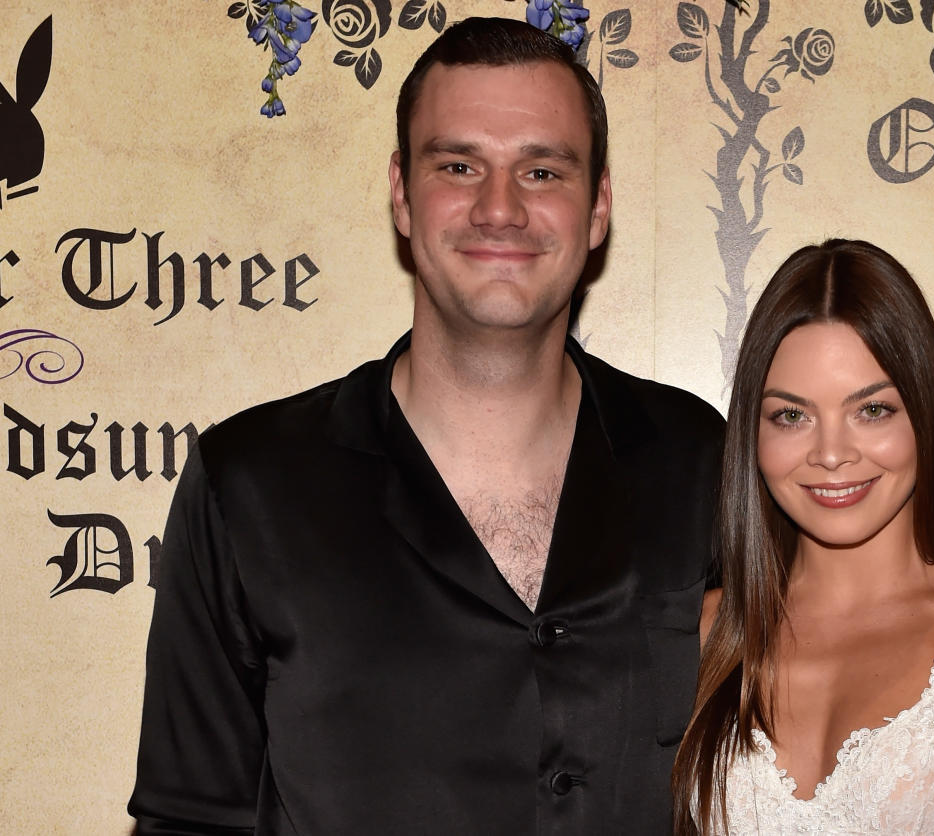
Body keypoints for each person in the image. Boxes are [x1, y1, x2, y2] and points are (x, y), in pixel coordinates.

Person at [128, 17, 723, 835]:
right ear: (403, 196)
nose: (500, 208)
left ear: (598, 208)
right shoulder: (250, 483)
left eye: (543, 170)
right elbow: (189, 819)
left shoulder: (701, 459)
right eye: (458, 165)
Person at [671, 240, 934, 834]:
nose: (829, 454)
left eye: (871, 410)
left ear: (925, 413)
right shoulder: (696, 637)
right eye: (791, 416)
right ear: (753, 434)